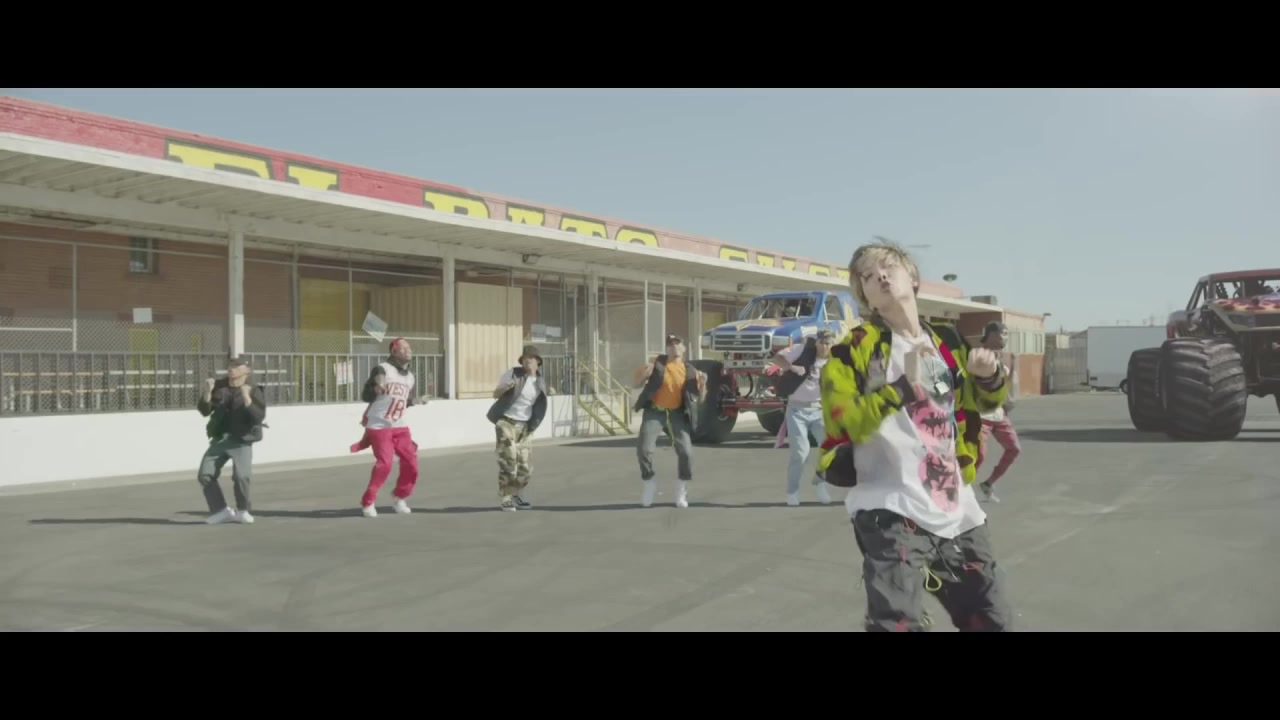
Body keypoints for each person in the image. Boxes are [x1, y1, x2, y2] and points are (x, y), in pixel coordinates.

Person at [816, 240, 1014, 632]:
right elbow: (842, 421)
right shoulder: (854, 349)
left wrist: (987, 377)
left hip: (956, 509)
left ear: (913, 278)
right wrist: (901, 389)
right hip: (890, 508)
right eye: (868, 276)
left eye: (888, 267)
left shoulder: (947, 342)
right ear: (866, 296)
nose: (880, 276)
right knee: (897, 624)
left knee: (992, 621)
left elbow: (984, 404)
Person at [352, 337, 427, 518]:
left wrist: (415, 401)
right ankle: (368, 501)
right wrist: (378, 385)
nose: (409, 350)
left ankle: (400, 496)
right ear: (394, 351)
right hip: (379, 425)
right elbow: (371, 387)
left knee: (412, 463)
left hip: (399, 425)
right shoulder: (383, 369)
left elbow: (400, 400)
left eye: (409, 347)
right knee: (385, 464)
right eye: (404, 347)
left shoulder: (410, 377)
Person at [634, 335, 707, 508]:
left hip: (677, 414)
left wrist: (703, 384)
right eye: (670, 345)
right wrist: (644, 375)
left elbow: (701, 399)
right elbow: (636, 384)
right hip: (655, 411)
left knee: (686, 453)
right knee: (644, 450)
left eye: (677, 344)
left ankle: (681, 488)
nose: (674, 347)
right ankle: (649, 483)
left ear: (684, 348)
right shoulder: (655, 364)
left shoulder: (691, 371)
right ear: (666, 349)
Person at [767, 329, 837, 506]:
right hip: (797, 410)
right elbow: (777, 358)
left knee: (829, 449)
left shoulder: (836, 359)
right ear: (817, 342)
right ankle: (792, 491)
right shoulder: (802, 350)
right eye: (822, 343)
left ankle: (819, 483)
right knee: (800, 452)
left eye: (828, 344)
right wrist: (791, 367)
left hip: (820, 409)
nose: (824, 347)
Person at [196, 356, 267, 525]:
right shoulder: (219, 386)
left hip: (241, 440)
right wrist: (207, 393)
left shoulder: (254, 389)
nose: (231, 369)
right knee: (205, 474)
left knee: (242, 476)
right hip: (220, 439)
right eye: (230, 366)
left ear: (247, 370)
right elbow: (204, 411)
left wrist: (247, 397)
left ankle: (242, 510)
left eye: (236, 366)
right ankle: (221, 510)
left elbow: (258, 416)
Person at [488, 345, 553, 511]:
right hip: (506, 422)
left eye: (530, 358)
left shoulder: (540, 381)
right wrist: (505, 387)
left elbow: (541, 397)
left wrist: (550, 391)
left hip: (525, 426)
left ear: (537, 362)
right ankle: (506, 497)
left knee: (525, 465)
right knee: (508, 460)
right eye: (524, 358)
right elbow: (495, 394)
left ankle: (518, 493)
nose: (527, 361)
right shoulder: (513, 374)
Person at [974, 321, 1020, 503]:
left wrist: (1013, 364)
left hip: (999, 415)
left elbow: (1006, 386)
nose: (1005, 338)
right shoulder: (977, 356)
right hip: (980, 415)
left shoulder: (1003, 360)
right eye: (1002, 334)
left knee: (1014, 449)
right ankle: (960, 488)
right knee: (979, 455)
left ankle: (988, 483)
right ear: (991, 335)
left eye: (1007, 334)